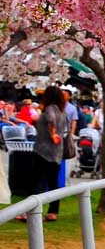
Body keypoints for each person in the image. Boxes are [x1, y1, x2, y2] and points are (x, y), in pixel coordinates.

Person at [16, 86, 68, 222]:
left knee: (35, 182)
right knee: (53, 183)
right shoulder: (62, 112)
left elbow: (50, 120)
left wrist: (52, 133)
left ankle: (28, 212)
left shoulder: (50, 109)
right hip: (57, 152)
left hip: (43, 151)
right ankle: (53, 211)